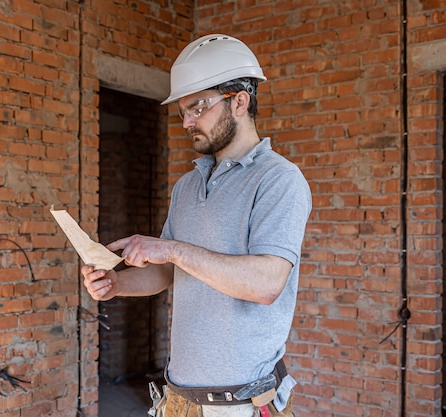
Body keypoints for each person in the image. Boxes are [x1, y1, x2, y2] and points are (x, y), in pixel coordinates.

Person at [82, 34, 312, 417]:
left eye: (198, 107)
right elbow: (169, 273)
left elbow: (267, 284)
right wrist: (116, 284)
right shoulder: (188, 186)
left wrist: (170, 247)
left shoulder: (279, 180)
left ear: (240, 100)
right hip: (179, 399)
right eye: (182, 111)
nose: (187, 121)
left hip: (239, 404)